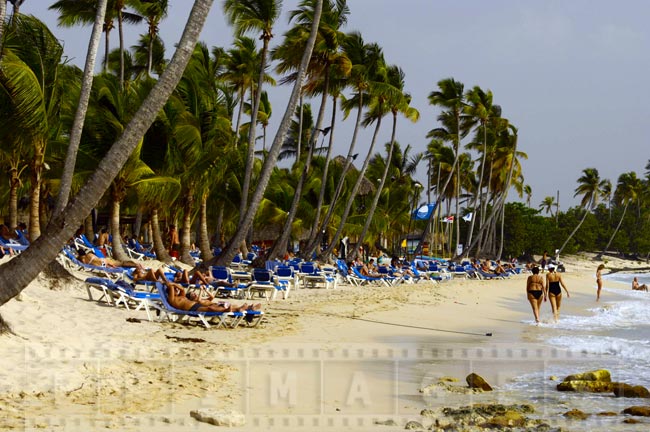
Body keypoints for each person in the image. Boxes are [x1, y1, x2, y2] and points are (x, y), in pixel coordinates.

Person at [164, 281, 260, 313]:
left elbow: (181, 288)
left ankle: (247, 308)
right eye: (174, 290)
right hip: (192, 309)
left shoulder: (181, 295)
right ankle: (228, 310)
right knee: (210, 308)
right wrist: (171, 285)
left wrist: (173, 283)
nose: (176, 290)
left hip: (195, 305)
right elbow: (171, 287)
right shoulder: (172, 299)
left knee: (213, 307)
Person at [77, 249, 143, 270]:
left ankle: (135, 265)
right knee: (121, 263)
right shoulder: (89, 254)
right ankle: (136, 265)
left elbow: (82, 262)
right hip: (104, 262)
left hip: (102, 264)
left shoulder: (83, 259)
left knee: (121, 264)